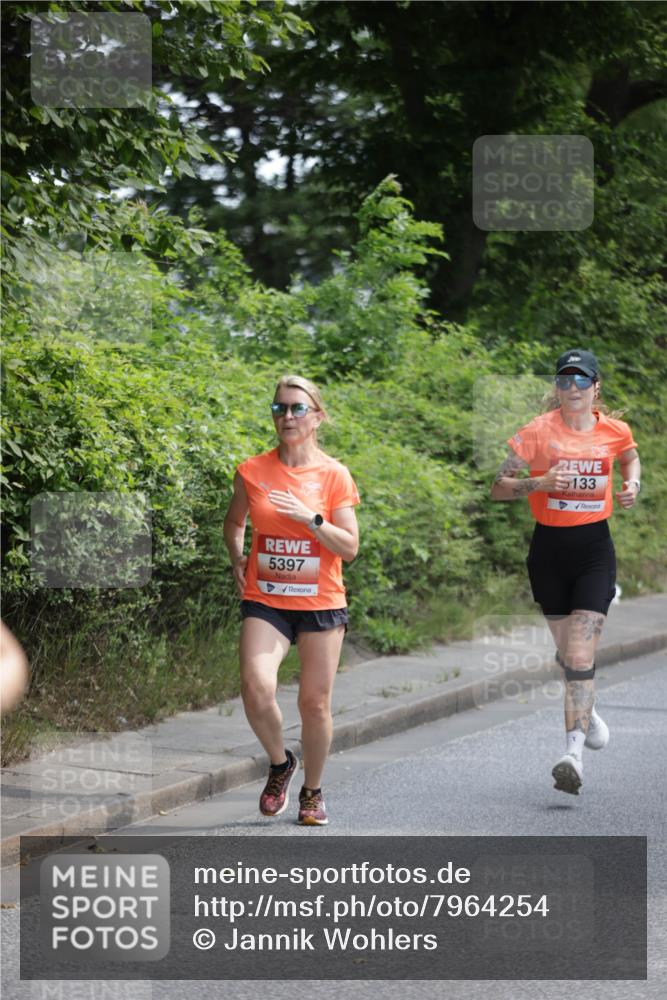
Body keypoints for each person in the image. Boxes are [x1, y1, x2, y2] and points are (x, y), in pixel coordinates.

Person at [491, 349, 640, 794]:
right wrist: (539, 483)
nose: (572, 388)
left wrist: (632, 483)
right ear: (556, 387)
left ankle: (572, 754)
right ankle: (587, 709)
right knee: (569, 658)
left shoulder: (615, 431)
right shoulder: (537, 432)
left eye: (581, 380)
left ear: (596, 387)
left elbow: (630, 458)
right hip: (549, 552)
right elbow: (499, 489)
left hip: (595, 549)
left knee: (578, 657)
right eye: (565, 380)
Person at [223, 375, 360, 825]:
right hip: (267, 598)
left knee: (314, 704)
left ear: (317, 416)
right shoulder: (252, 470)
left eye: (297, 408)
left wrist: (312, 519)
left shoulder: (334, 474)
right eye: (279, 408)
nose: (286, 416)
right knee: (255, 685)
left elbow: (349, 547)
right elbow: (235, 522)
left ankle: (313, 792)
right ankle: (281, 764)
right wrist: (237, 556)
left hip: (321, 603)